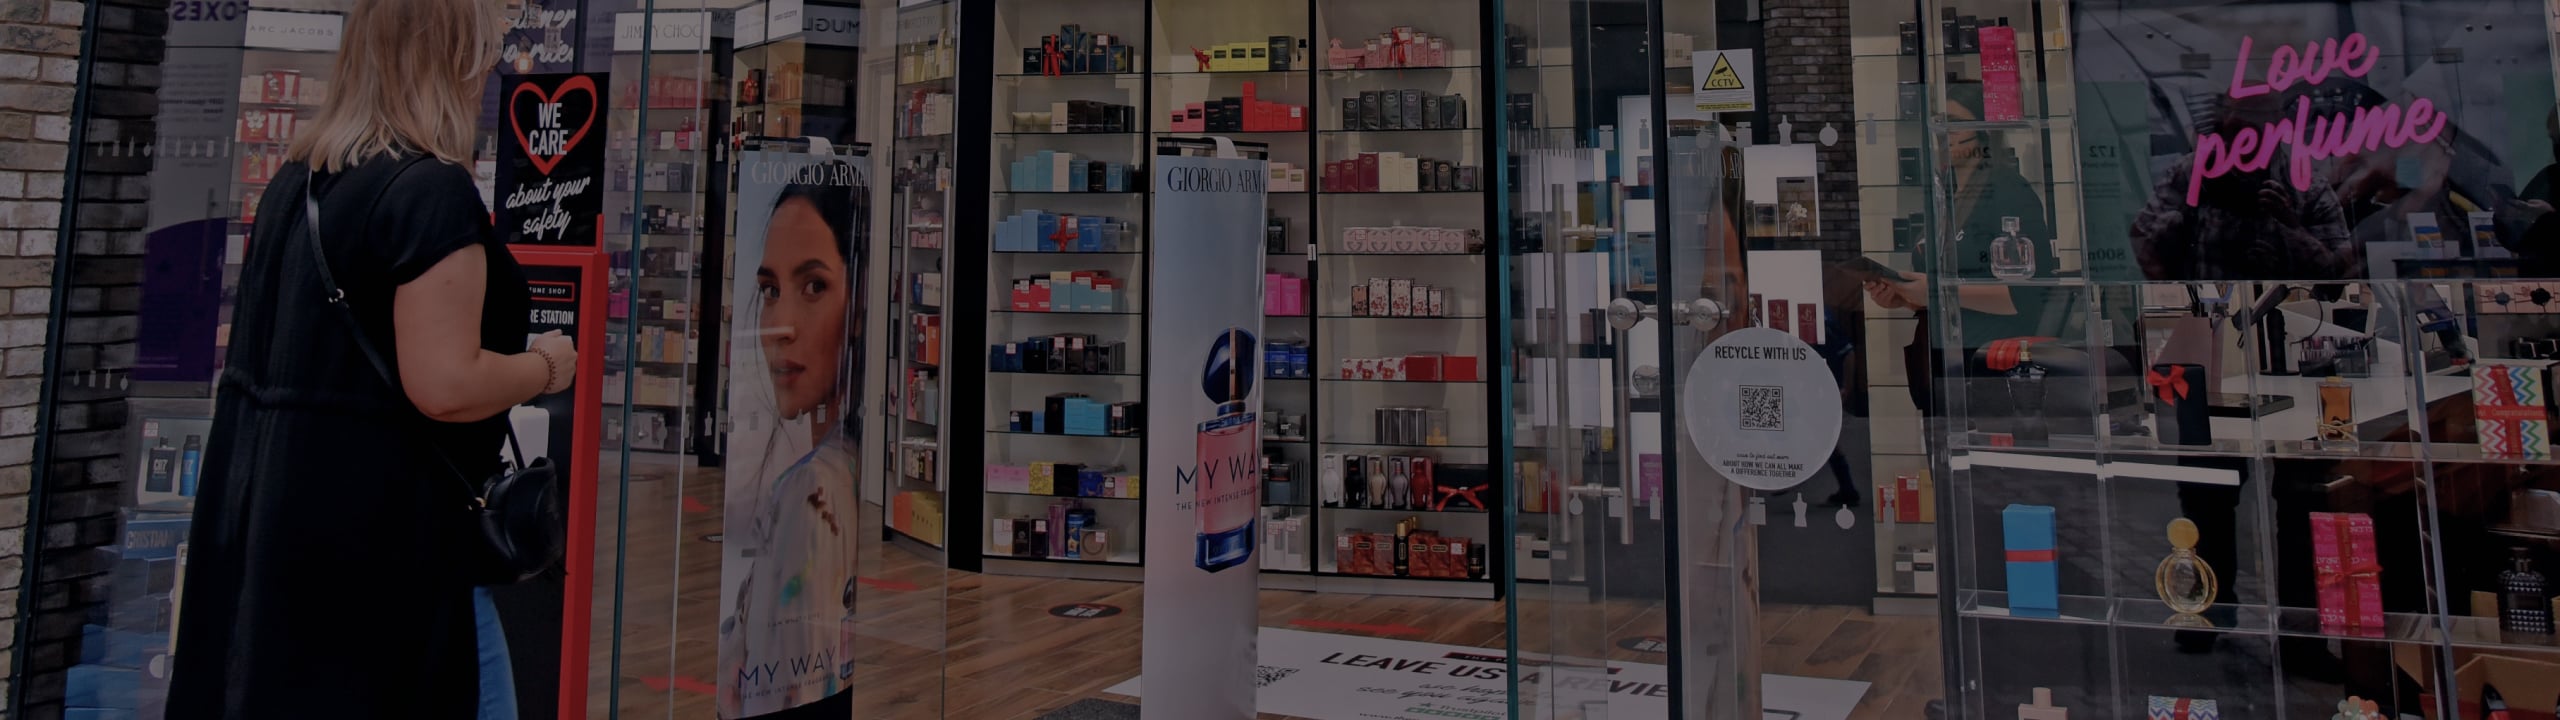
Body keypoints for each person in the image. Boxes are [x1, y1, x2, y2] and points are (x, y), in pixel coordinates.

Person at [167, 0, 576, 716]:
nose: (487, 70)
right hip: (391, 548)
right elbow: (445, 384)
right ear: (449, 58)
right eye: (481, 50)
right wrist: (544, 365)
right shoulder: (429, 194)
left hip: (280, 540)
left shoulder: (296, 185)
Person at [718, 172, 866, 719]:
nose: (779, 326)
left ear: (860, 300)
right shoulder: (837, 473)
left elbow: (789, 691)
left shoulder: (811, 491)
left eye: (813, 287)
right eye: (770, 290)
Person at [1865, 90, 2059, 414]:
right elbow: (1943, 288)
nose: (1945, 134)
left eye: (1954, 124)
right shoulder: (1947, 199)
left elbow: (2024, 296)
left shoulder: (2008, 191)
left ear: (1984, 132)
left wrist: (1937, 293)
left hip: (1989, 370)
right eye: (1940, 124)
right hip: (1942, 369)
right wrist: (1902, 296)